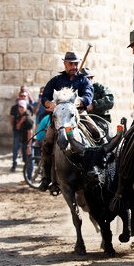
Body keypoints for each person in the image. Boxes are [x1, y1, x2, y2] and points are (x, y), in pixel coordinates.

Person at [37, 51, 95, 192]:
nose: (74, 66)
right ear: (65, 64)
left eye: (76, 64)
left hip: (79, 114)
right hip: (59, 117)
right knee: (48, 141)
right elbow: (45, 96)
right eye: (71, 64)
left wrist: (80, 102)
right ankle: (47, 177)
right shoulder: (56, 80)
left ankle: (100, 166)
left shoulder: (83, 80)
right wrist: (49, 104)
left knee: (96, 132)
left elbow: (89, 93)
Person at [9, 90, 33, 171]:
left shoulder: (29, 108)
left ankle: (26, 168)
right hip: (18, 130)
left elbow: (30, 128)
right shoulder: (14, 107)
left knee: (26, 149)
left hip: (26, 132)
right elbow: (12, 118)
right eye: (21, 95)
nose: (23, 97)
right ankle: (14, 164)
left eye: (24, 96)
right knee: (15, 147)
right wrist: (16, 125)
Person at [14, 100, 35, 181]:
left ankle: (29, 178)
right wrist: (20, 121)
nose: (20, 108)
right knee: (26, 160)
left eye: (22, 107)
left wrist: (29, 146)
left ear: (25, 107)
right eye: (19, 107)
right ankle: (28, 178)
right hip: (23, 141)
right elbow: (17, 127)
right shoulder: (21, 116)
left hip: (28, 142)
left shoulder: (27, 118)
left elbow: (30, 132)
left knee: (29, 160)